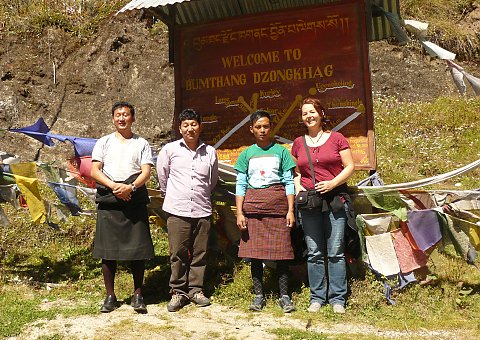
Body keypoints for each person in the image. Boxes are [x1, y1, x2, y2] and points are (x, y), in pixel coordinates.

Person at [291, 97, 355, 314]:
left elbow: (349, 167)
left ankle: (338, 298)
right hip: (310, 204)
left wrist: (333, 183)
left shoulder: (337, 139)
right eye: (304, 113)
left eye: (312, 112)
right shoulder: (299, 143)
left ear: (321, 113)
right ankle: (317, 297)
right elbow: (296, 172)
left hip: (335, 201)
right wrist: (298, 186)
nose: (308, 116)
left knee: (336, 251)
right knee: (314, 252)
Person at [91, 101, 155, 314]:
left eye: (126, 115)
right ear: (113, 118)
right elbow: (95, 170)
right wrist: (114, 187)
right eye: (118, 115)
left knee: (138, 251)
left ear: (133, 118)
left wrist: (131, 187)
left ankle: (138, 294)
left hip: (134, 198)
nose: (121, 118)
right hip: (109, 200)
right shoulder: (103, 142)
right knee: (107, 252)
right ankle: (110, 296)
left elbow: (146, 171)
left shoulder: (142, 143)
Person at [156, 108, 218, 312]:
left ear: (200, 127)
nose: (190, 129)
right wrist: (174, 195)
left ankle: (196, 290)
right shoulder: (169, 150)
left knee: (200, 253)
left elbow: (212, 181)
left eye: (194, 124)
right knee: (178, 253)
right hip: (177, 210)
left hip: (202, 209)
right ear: (180, 128)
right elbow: (162, 178)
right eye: (186, 125)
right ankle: (177, 292)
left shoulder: (210, 152)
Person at [235, 110, 297, 313]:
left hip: (278, 209)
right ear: (251, 129)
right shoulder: (246, 154)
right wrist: (239, 213)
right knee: (254, 255)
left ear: (271, 128)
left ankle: (285, 296)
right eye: (258, 127)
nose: (262, 130)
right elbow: (241, 185)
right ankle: (258, 296)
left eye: (266, 126)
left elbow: (289, 183)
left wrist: (290, 210)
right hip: (253, 210)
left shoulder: (281, 152)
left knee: (282, 255)